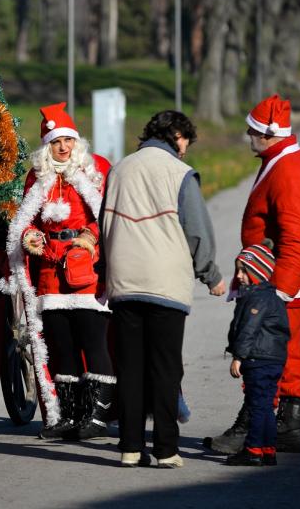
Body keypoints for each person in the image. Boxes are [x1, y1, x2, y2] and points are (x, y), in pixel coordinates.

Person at [99, 110, 226, 468]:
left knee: (130, 367)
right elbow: (196, 229)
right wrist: (211, 274)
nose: (185, 150)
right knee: (166, 368)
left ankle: (130, 446)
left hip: (124, 283)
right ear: (174, 135)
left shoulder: (119, 169)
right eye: (185, 141)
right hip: (165, 284)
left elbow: (104, 223)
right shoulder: (179, 174)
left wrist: (106, 272)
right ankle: (166, 449)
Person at [206, 94, 300, 454]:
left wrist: (280, 292)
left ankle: (259, 423)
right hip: (278, 282)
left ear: (269, 134)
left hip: (281, 285)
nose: (247, 135)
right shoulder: (281, 160)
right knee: (287, 351)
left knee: (262, 356)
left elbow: (299, 237)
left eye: (252, 130)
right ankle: (287, 424)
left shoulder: (290, 171)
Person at [2, 103, 114, 441]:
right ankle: (69, 413)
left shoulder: (95, 172)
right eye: (55, 142)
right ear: (46, 147)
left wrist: (91, 236)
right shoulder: (36, 178)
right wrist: (30, 236)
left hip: (86, 270)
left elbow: (106, 215)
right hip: (50, 269)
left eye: (67, 140)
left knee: (93, 342)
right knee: (61, 345)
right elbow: (27, 221)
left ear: (76, 143)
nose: (63, 147)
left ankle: (97, 414)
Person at [224, 240, 290, 467]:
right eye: (238, 270)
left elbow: (249, 330)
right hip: (273, 360)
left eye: (244, 270)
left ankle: (252, 450)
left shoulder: (258, 298)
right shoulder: (272, 297)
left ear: (258, 272)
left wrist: (238, 357)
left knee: (257, 406)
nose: (239, 276)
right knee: (265, 406)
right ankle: (268, 449)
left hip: (258, 359)